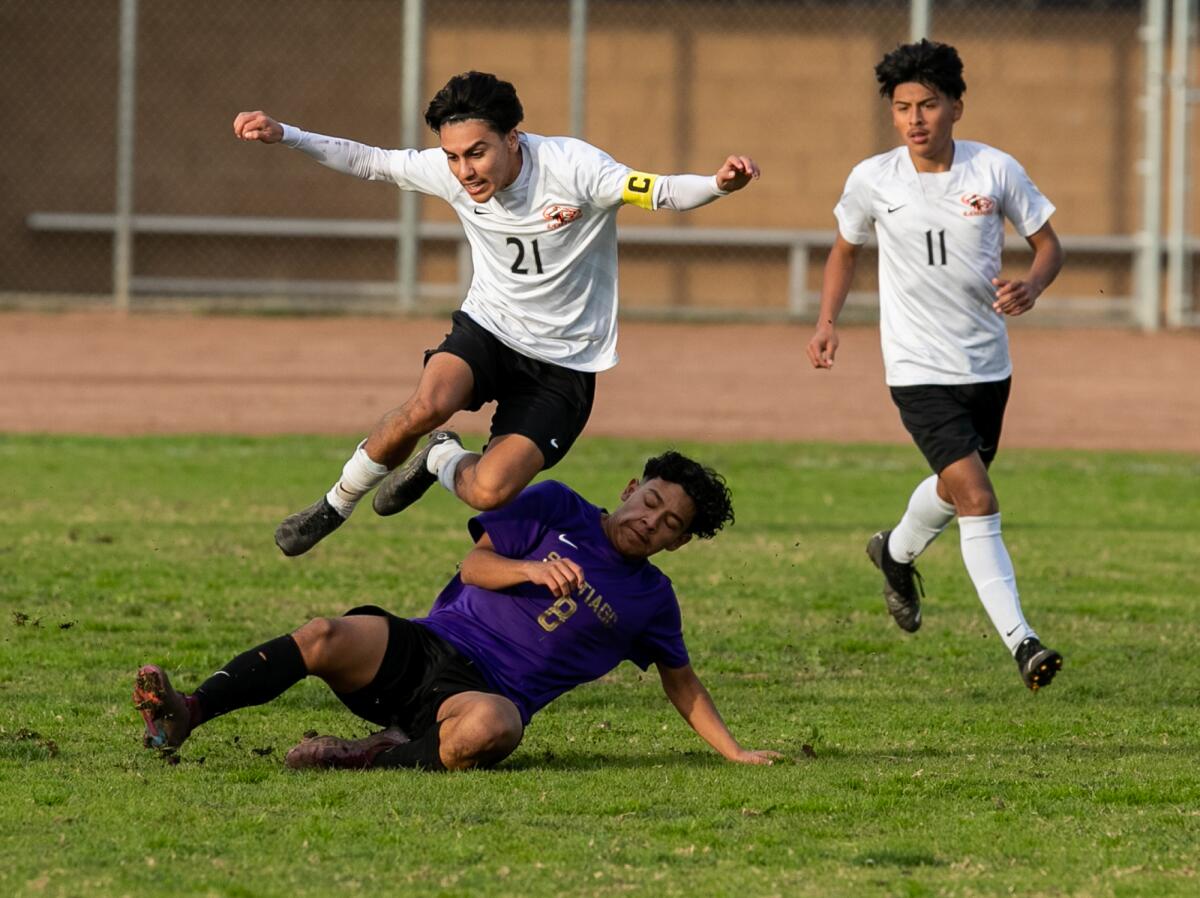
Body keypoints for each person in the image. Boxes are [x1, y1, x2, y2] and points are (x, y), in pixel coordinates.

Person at [232, 71, 761, 557]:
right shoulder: (449, 172)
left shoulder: (575, 168)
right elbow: (372, 161)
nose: (464, 171)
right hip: (489, 327)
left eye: (477, 153)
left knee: (488, 490)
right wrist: (288, 133)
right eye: (454, 156)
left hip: (564, 364)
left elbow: (660, 190)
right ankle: (334, 505)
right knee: (425, 405)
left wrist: (718, 185)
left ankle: (439, 458)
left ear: (513, 138)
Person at [133, 451, 783, 770]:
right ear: (631, 488)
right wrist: (531, 569)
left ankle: (364, 756)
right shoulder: (558, 506)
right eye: (652, 502)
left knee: (492, 731)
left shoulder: (652, 600)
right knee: (323, 634)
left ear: (676, 542)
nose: (651, 522)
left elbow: (681, 681)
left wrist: (734, 753)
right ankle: (189, 711)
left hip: (483, 695)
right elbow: (475, 567)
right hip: (428, 647)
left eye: (669, 524)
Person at [805, 40, 1066, 691]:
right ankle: (1023, 643)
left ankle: (892, 554)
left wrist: (1033, 285)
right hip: (917, 369)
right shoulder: (873, 179)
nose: (915, 118)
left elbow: (1048, 246)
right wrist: (828, 321)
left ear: (955, 106)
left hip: (987, 366)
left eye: (927, 104)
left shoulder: (993, 170)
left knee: (955, 493)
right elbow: (845, 250)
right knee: (977, 496)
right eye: (902, 107)